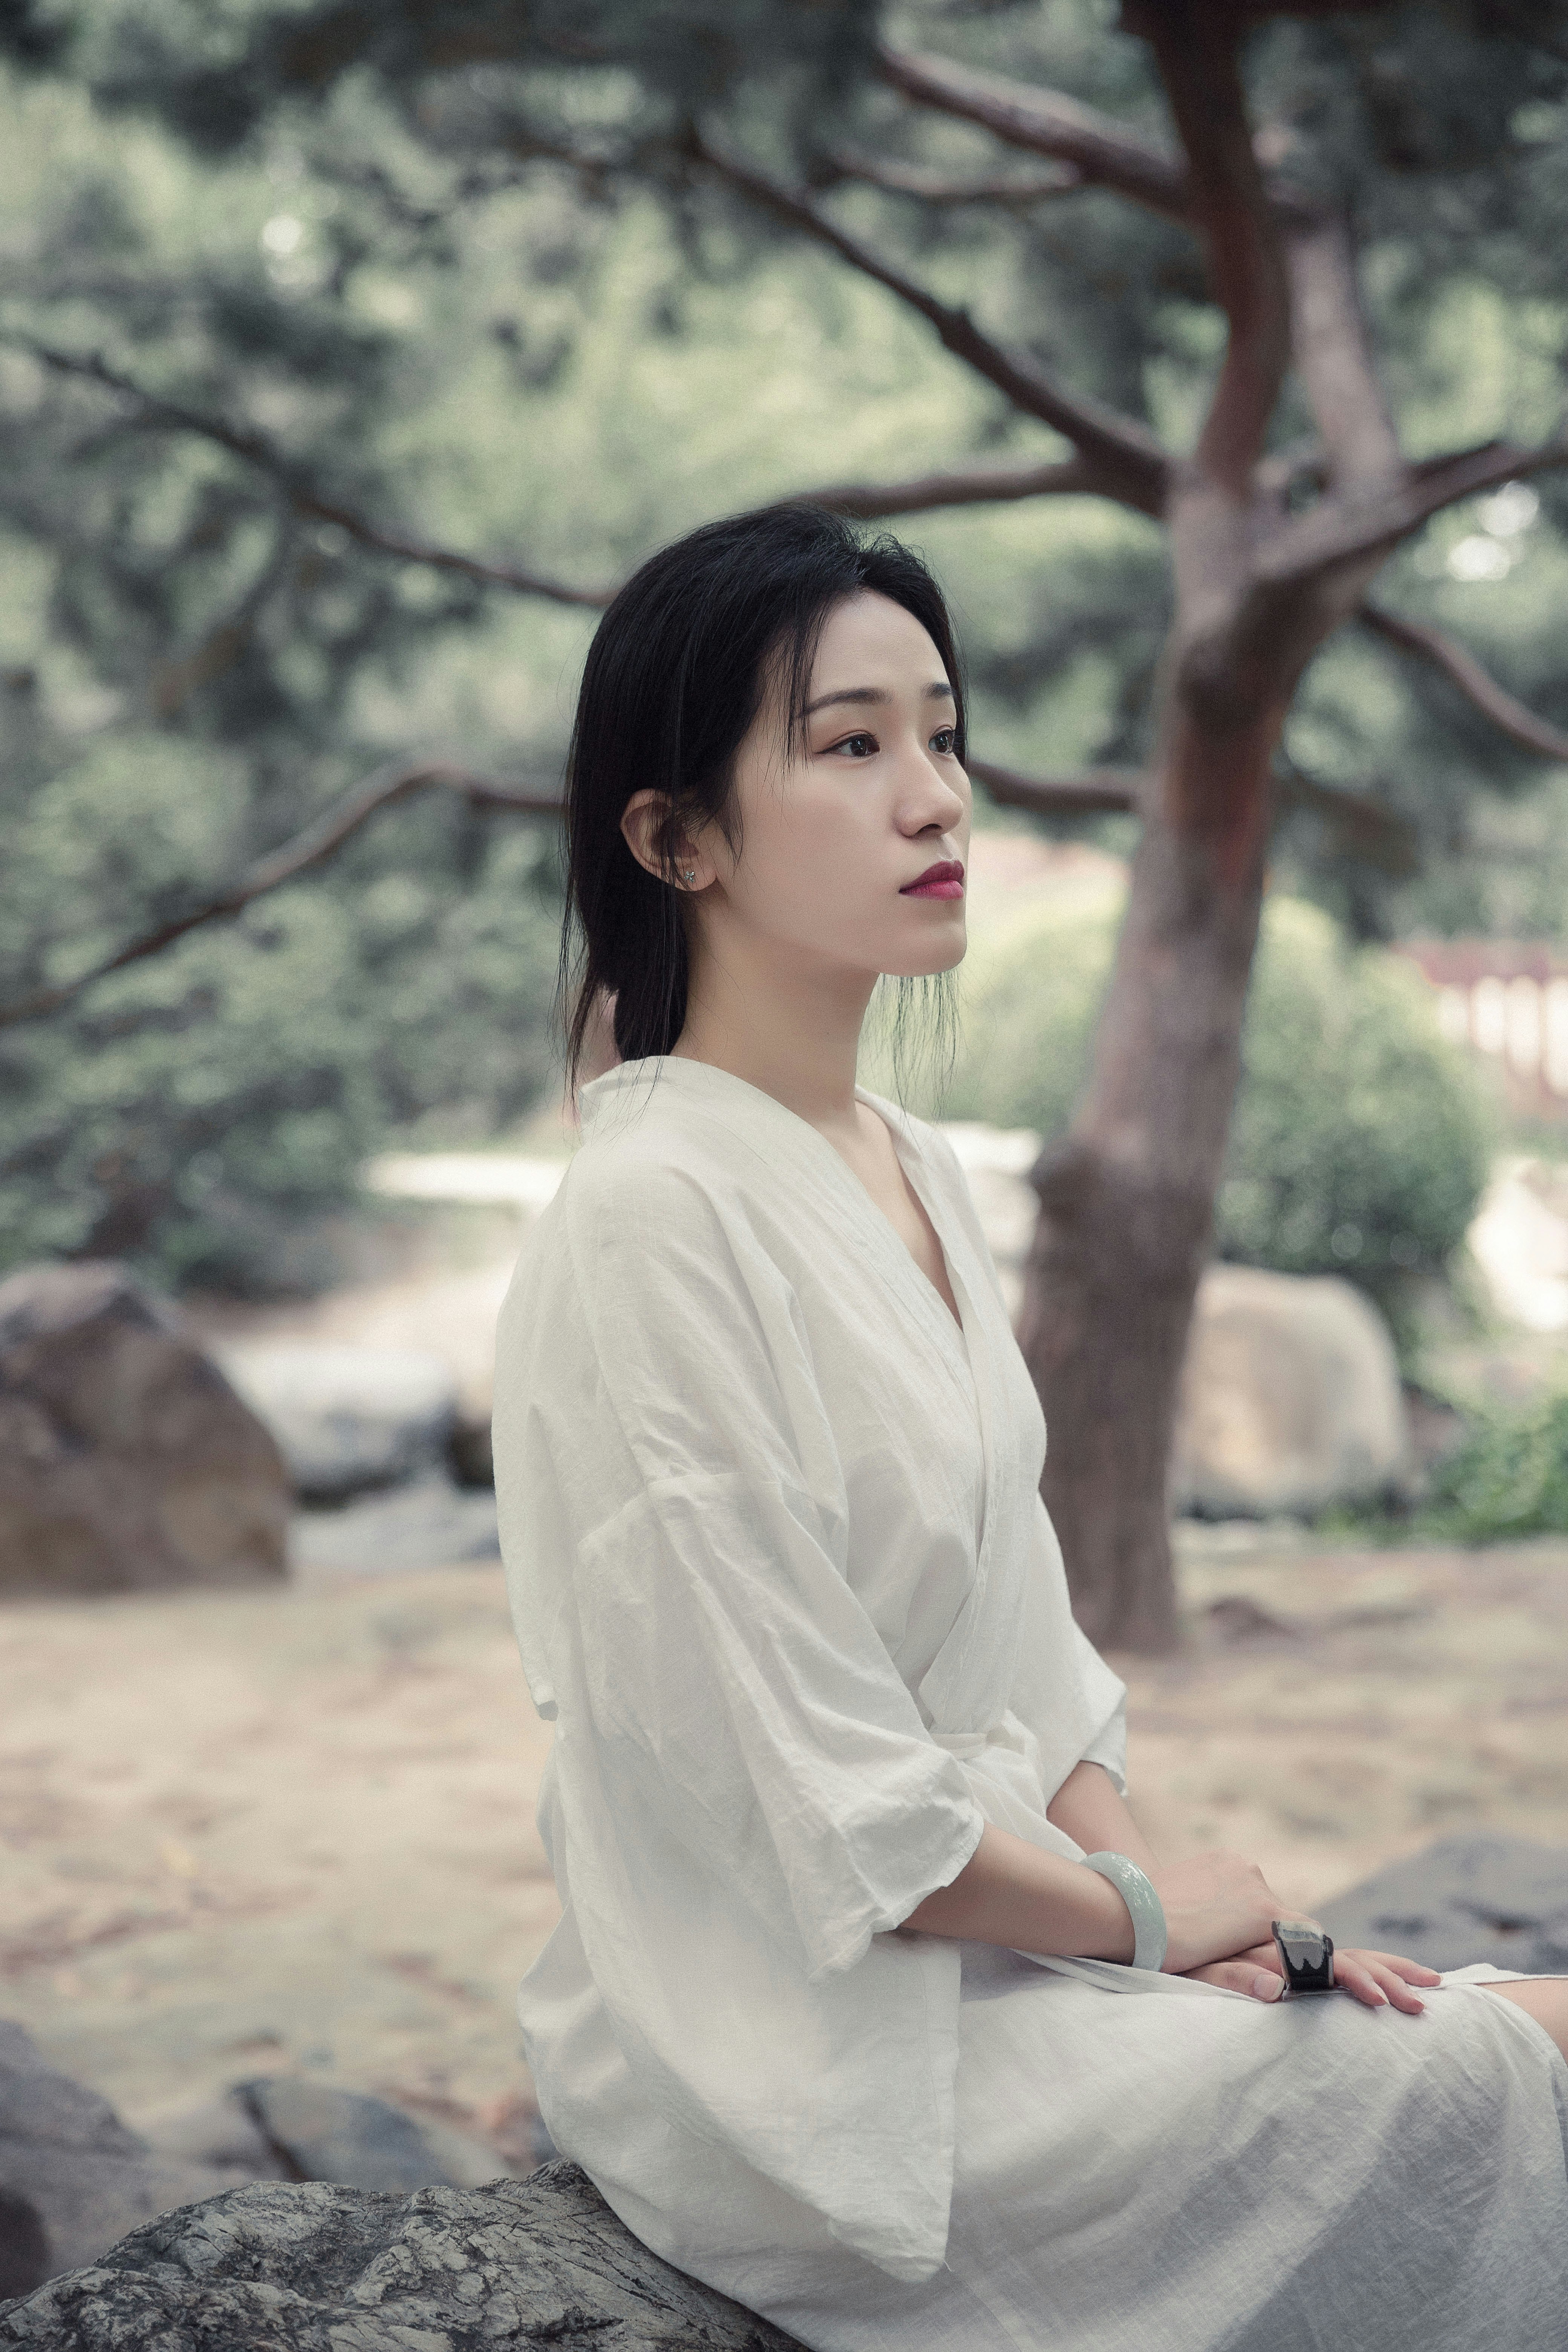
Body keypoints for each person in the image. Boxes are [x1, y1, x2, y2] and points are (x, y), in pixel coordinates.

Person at [492, 504, 1568, 2352]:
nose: (934, 799)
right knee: (1489, 2062)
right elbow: (812, 1792)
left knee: (1476, 2036)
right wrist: (1148, 1919)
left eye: (942, 734)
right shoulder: (650, 1218)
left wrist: (1191, 1935)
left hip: (1005, 1960)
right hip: (809, 2070)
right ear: (670, 838)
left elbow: (1025, 1653)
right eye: (848, 746)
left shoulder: (901, 1163)